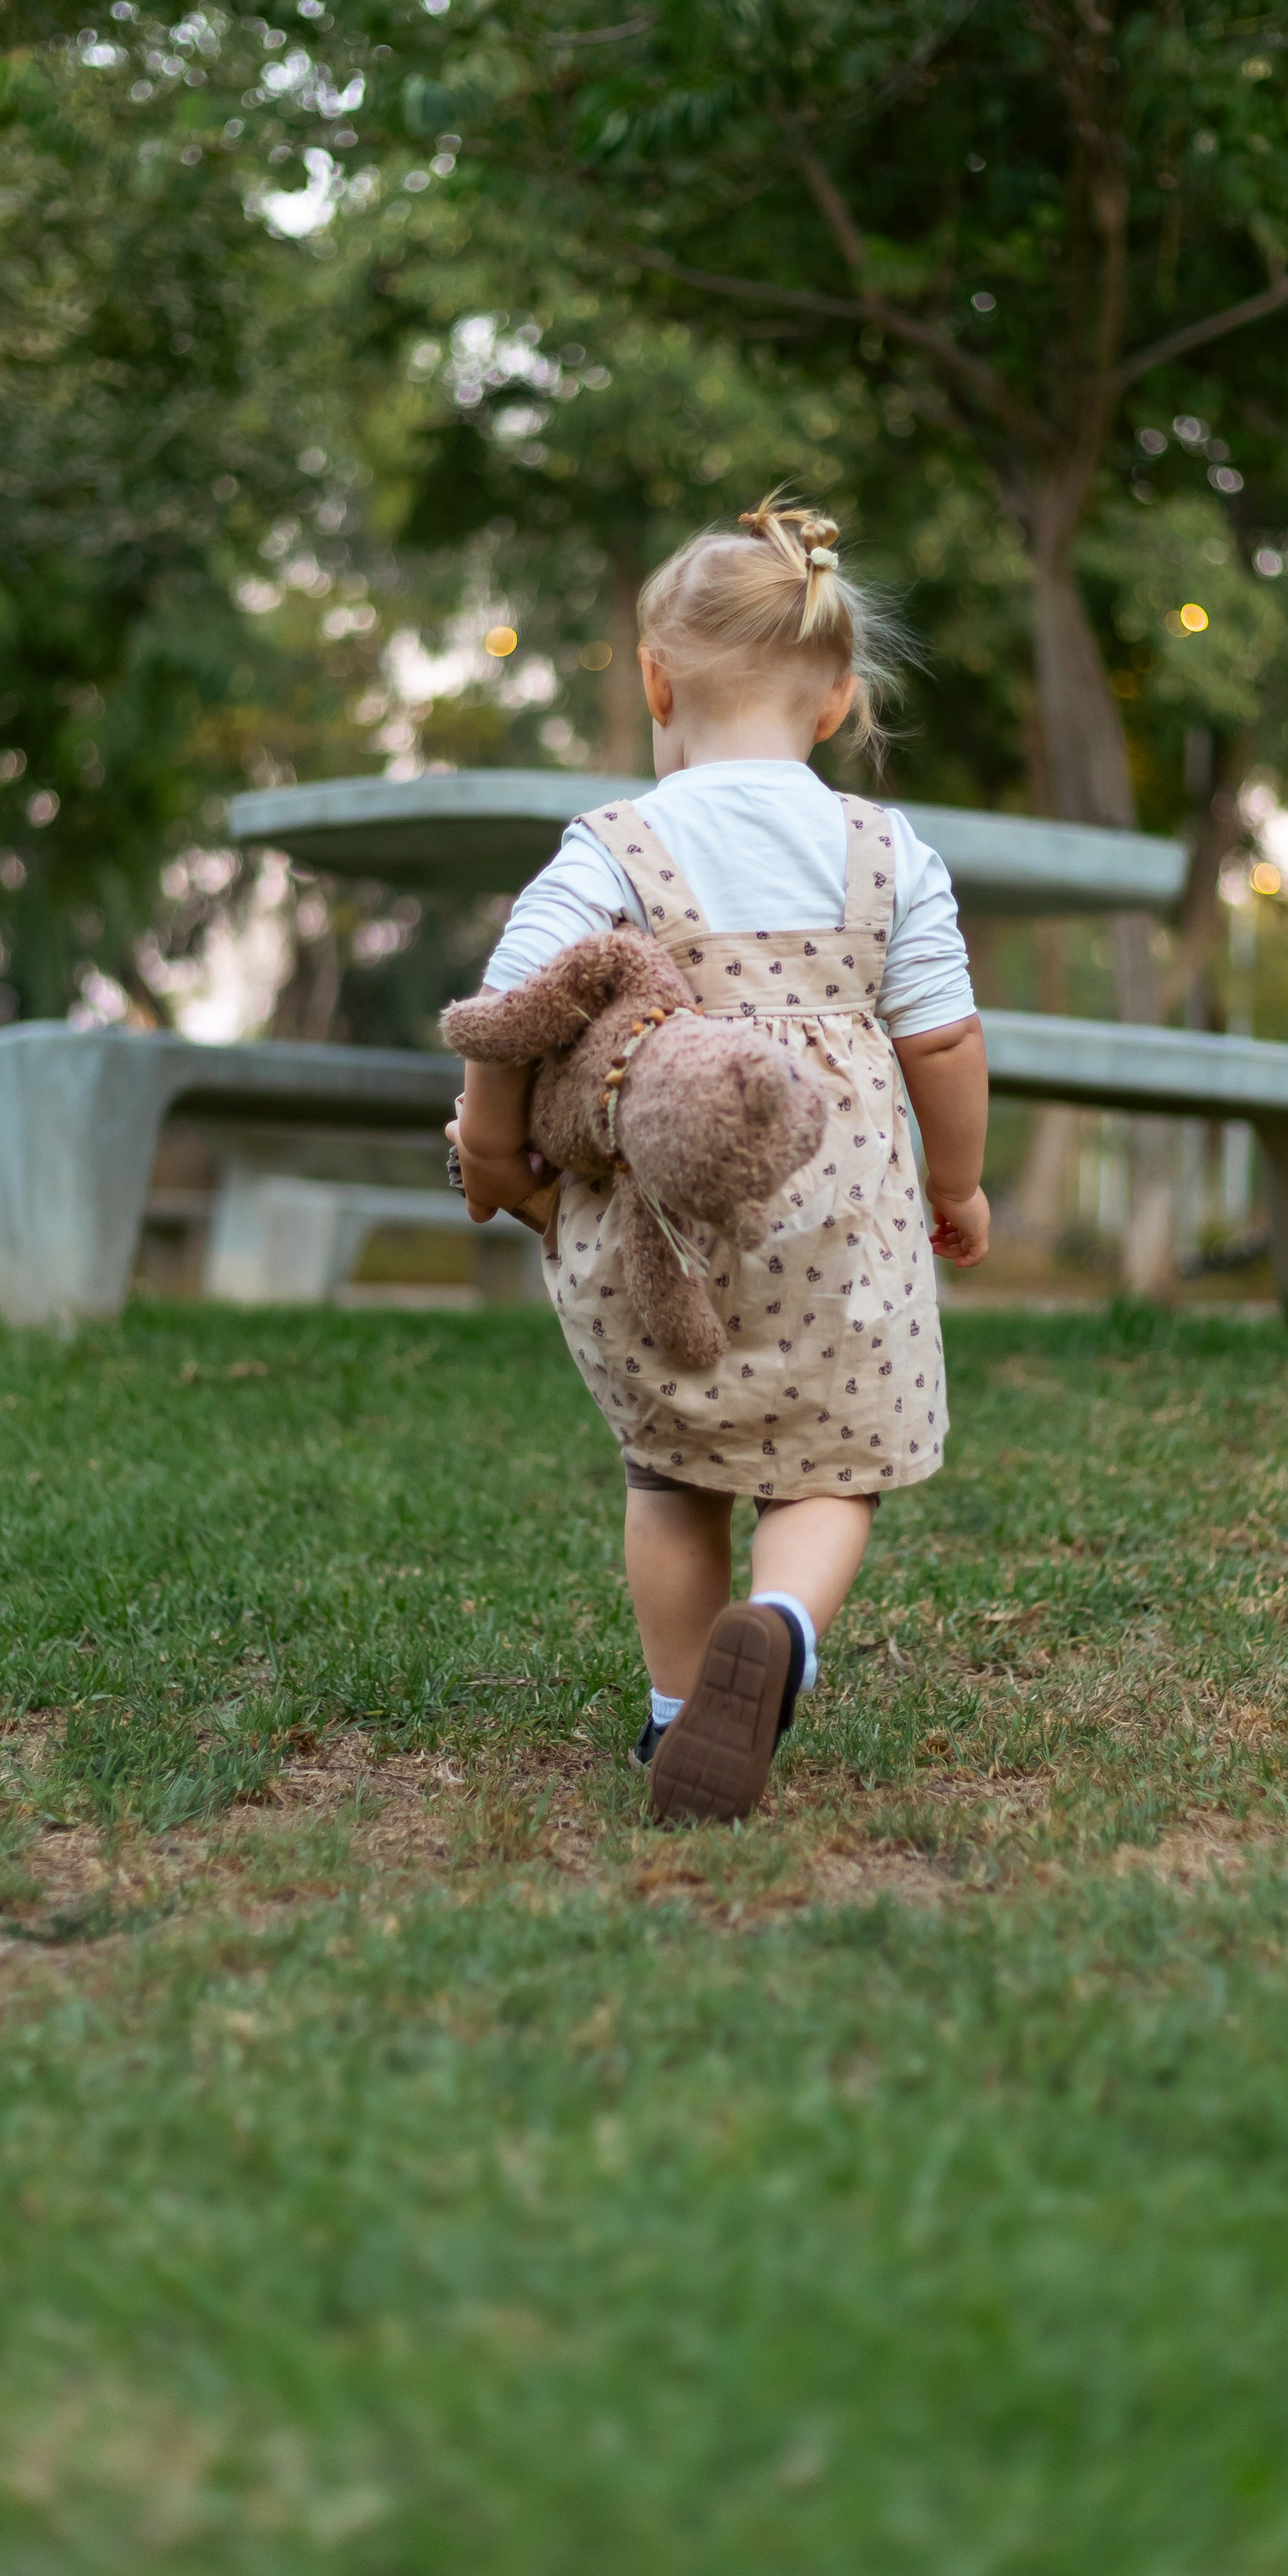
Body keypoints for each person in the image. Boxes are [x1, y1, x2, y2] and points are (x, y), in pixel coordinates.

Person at [452, 502, 990, 1825]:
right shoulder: (887, 851)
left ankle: (680, 1714)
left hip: (665, 1217)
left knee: (674, 1471)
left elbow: (513, 997)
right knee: (830, 1468)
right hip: (840, 1207)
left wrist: (489, 1144)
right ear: (836, 702)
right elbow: (945, 1037)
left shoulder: (616, 846)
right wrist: (957, 1183)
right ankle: (787, 1629)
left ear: (655, 680)